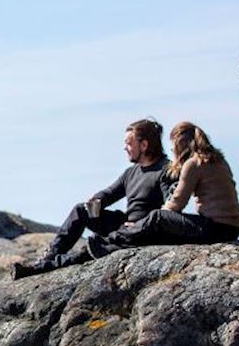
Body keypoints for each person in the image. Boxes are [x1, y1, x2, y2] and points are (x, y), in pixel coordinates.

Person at [12, 118, 171, 279]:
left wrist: (141, 225)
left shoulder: (165, 170)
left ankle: (40, 269)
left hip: (144, 232)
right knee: (81, 210)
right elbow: (109, 194)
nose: (125, 148)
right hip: (125, 224)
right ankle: (49, 257)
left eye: (129, 144)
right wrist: (95, 201)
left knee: (92, 248)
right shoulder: (131, 172)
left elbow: (170, 209)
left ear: (144, 145)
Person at [101, 122, 239, 250]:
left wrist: (142, 225)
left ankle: (113, 239)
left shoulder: (193, 164)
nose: (172, 150)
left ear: (180, 144)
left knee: (157, 217)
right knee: (161, 231)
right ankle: (113, 245)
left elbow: (176, 204)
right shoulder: (219, 160)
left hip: (215, 229)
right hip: (232, 228)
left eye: (173, 145)